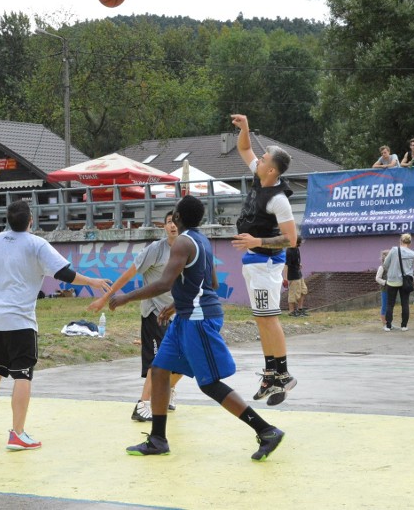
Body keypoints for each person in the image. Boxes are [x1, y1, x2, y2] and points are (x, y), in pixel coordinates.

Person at [109, 195, 285, 461]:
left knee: (209, 384)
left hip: (198, 319)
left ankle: (266, 430)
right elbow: (210, 281)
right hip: (186, 316)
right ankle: (158, 439)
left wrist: (125, 298)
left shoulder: (182, 242)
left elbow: (164, 283)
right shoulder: (202, 240)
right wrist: (180, 305)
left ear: (177, 218)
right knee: (158, 371)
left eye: (173, 216)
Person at [0, 200, 110, 451]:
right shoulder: (37, 244)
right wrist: (93, 281)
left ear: (8, 220)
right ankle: (18, 433)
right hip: (20, 322)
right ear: (30, 221)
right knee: (22, 375)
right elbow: (64, 274)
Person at [88, 211, 184, 422]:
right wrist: (105, 298)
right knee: (158, 362)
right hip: (154, 312)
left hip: (176, 312)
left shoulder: (187, 248)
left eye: (176, 222)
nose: (173, 226)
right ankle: (142, 405)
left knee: (185, 359)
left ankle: (167, 391)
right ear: (164, 227)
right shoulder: (155, 250)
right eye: (169, 222)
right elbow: (128, 274)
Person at [230, 113, 298, 406]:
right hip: (254, 261)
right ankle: (271, 374)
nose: (258, 159)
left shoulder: (278, 199)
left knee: (269, 319)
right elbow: (244, 148)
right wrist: (245, 128)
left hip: (266, 262)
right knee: (262, 320)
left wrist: (257, 241)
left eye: (263, 158)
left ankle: (283, 375)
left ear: (272, 170)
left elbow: (291, 239)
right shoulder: (261, 177)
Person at [382, 233, 414, 331]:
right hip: (406, 281)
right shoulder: (413, 254)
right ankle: (404, 325)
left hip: (392, 280)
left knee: (390, 304)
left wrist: (392, 269)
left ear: (400, 240)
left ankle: (388, 325)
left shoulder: (394, 250)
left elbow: (385, 264)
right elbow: (412, 268)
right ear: (410, 242)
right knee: (405, 303)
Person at [283, 236, 308, 317]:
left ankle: (300, 309)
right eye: (300, 242)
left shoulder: (296, 249)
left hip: (298, 273)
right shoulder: (289, 251)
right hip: (293, 276)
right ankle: (291, 311)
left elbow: (296, 260)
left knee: (303, 291)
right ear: (296, 242)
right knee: (293, 294)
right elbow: (286, 266)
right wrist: (285, 278)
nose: (301, 243)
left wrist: (299, 264)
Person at [376, 249, 390, 326]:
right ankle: (384, 322)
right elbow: (377, 278)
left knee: (390, 305)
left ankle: (389, 321)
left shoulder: (391, 267)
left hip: (392, 289)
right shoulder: (382, 267)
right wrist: (385, 282)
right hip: (385, 289)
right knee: (384, 305)